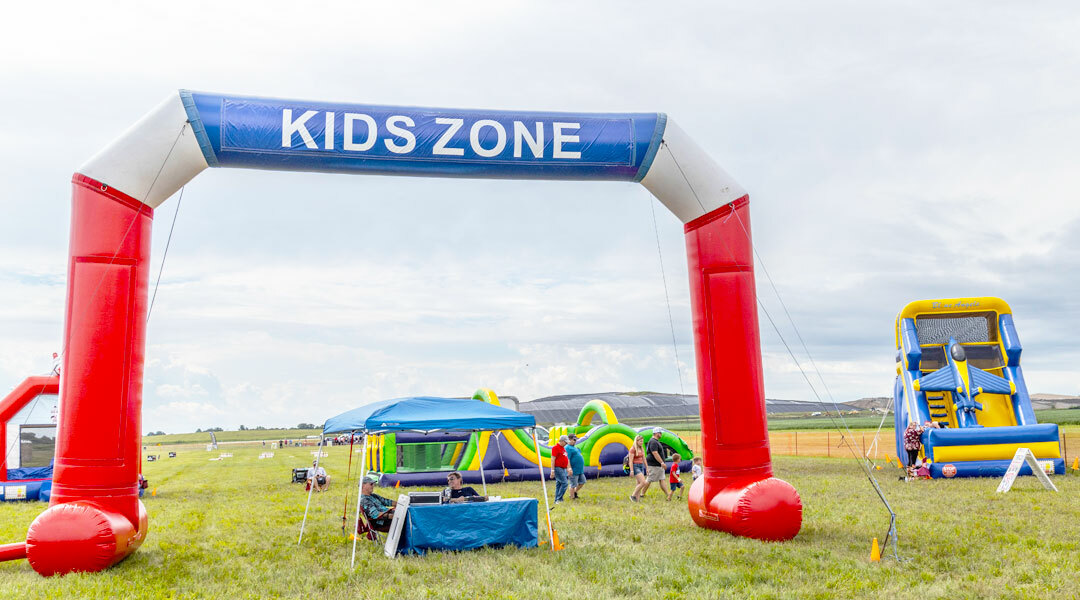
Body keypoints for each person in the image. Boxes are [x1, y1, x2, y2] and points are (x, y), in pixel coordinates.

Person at [633, 427, 667, 501]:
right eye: (659, 433)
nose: (661, 434)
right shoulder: (653, 442)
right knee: (649, 479)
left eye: (661, 433)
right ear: (655, 433)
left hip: (658, 465)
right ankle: (641, 494)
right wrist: (661, 462)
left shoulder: (655, 441)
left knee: (662, 478)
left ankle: (668, 494)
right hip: (654, 464)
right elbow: (655, 453)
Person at [550, 435, 570, 504]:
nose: (566, 444)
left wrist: (567, 468)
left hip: (563, 468)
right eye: (565, 442)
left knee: (559, 484)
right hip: (558, 468)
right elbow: (553, 459)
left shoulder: (563, 448)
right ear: (561, 441)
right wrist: (552, 470)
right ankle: (559, 499)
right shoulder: (555, 448)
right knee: (565, 483)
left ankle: (556, 499)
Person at [566, 434, 586, 499]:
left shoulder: (574, 447)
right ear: (569, 439)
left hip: (579, 469)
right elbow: (567, 459)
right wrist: (569, 468)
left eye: (576, 440)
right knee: (573, 484)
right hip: (573, 470)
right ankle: (572, 497)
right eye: (574, 440)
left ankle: (574, 492)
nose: (575, 441)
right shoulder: (567, 448)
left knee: (582, 482)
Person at [627, 435, 647, 502]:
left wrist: (647, 468)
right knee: (643, 482)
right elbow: (630, 461)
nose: (641, 442)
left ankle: (637, 500)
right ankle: (633, 496)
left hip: (641, 465)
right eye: (640, 441)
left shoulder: (641, 448)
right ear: (637, 441)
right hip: (635, 466)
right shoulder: (632, 449)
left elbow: (644, 458)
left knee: (639, 484)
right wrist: (632, 471)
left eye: (642, 441)